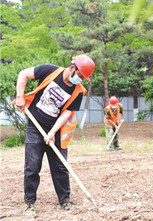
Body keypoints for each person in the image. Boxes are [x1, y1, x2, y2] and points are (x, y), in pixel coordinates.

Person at [12, 54, 95, 216]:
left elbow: (68, 113)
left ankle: (64, 201)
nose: (81, 80)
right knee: (32, 167)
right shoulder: (50, 71)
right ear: (72, 68)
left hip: (57, 130)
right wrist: (20, 96)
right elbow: (23, 74)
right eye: (80, 76)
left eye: (83, 78)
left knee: (60, 167)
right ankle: (29, 203)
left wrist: (52, 132)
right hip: (35, 126)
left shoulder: (78, 91)